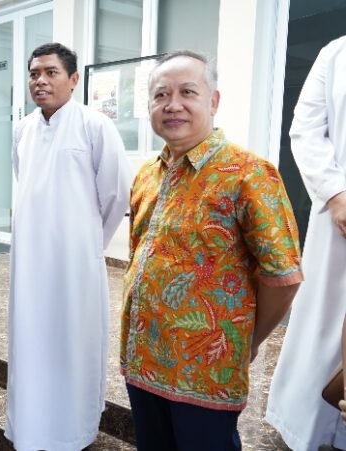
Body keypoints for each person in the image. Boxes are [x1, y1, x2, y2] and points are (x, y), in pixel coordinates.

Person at [120, 50, 304, 451]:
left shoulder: (249, 174)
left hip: (206, 373)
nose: (173, 105)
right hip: (143, 362)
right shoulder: (147, 174)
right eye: (161, 95)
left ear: (213, 101)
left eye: (187, 92)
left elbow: (283, 277)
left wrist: (248, 340)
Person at [5, 42, 132, 451]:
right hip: (29, 260)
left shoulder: (95, 125)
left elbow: (115, 194)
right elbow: (25, 180)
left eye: (51, 72)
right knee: (30, 341)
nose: (40, 81)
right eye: (34, 74)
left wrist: (86, 243)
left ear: (74, 79)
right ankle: (30, 429)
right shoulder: (22, 129)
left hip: (76, 261)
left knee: (73, 343)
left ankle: (73, 432)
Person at [266, 35, 346, 451]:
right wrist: (336, 194)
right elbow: (306, 130)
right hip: (340, 218)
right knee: (325, 319)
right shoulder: (335, 53)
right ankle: (310, 426)